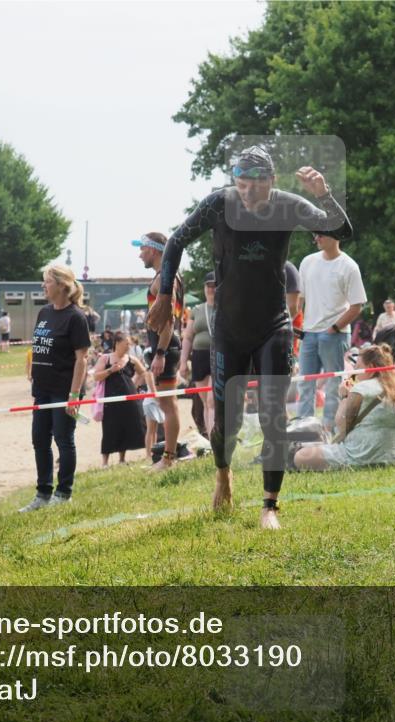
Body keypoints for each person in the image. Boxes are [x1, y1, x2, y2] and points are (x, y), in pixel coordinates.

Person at [147, 144, 351, 529]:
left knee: (274, 416)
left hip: (273, 325)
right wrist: (162, 295)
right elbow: (175, 242)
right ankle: (223, 475)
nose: (248, 194)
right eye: (241, 185)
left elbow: (342, 230)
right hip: (228, 329)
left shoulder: (288, 205)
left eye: (255, 186)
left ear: (271, 182)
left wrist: (323, 193)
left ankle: (269, 506)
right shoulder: (219, 204)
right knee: (227, 421)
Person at [21, 263, 91, 511]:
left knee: (63, 439)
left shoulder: (76, 317)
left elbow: (81, 358)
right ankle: (42, 494)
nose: (43, 286)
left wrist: (74, 395)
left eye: (47, 281)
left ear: (61, 286)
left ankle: (63, 493)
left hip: (64, 390)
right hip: (42, 389)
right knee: (39, 439)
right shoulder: (45, 313)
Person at [293, 344, 395, 470]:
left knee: (300, 456)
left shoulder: (360, 388)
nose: (354, 372)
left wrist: (344, 395)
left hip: (359, 456)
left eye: (358, 367)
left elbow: (341, 424)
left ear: (370, 369)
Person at [297, 231, 366, 431]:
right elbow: (299, 299)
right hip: (308, 333)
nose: (316, 238)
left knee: (334, 385)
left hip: (335, 334)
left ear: (336, 236)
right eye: (314, 235)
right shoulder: (307, 261)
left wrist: (334, 328)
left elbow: (357, 305)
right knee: (305, 384)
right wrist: (298, 326)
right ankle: (304, 430)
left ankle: (330, 430)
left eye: (320, 235)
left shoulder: (349, 266)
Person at [136, 232, 183, 471]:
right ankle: (169, 456)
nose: (140, 254)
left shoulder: (165, 278)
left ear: (154, 250)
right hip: (165, 345)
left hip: (167, 346)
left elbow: (169, 321)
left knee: (168, 403)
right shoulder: (164, 276)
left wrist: (161, 353)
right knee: (166, 403)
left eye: (143, 249)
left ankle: (168, 458)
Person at [94, 331, 147, 466]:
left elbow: (144, 373)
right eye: (126, 344)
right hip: (110, 400)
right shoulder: (105, 358)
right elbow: (96, 376)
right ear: (117, 343)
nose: (128, 346)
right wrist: (111, 370)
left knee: (126, 427)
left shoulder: (131, 359)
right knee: (109, 429)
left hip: (129, 399)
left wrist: (135, 386)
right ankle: (105, 462)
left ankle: (122, 459)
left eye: (129, 344)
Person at [180, 272, 216, 436]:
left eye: (214, 285)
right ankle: (209, 437)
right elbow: (188, 336)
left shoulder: (226, 308)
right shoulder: (197, 310)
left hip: (219, 356)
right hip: (200, 357)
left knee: (212, 400)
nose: (211, 289)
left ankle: (216, 438)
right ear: (204, 288)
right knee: (205, 402)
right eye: (208, 285)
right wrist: (182, 362)